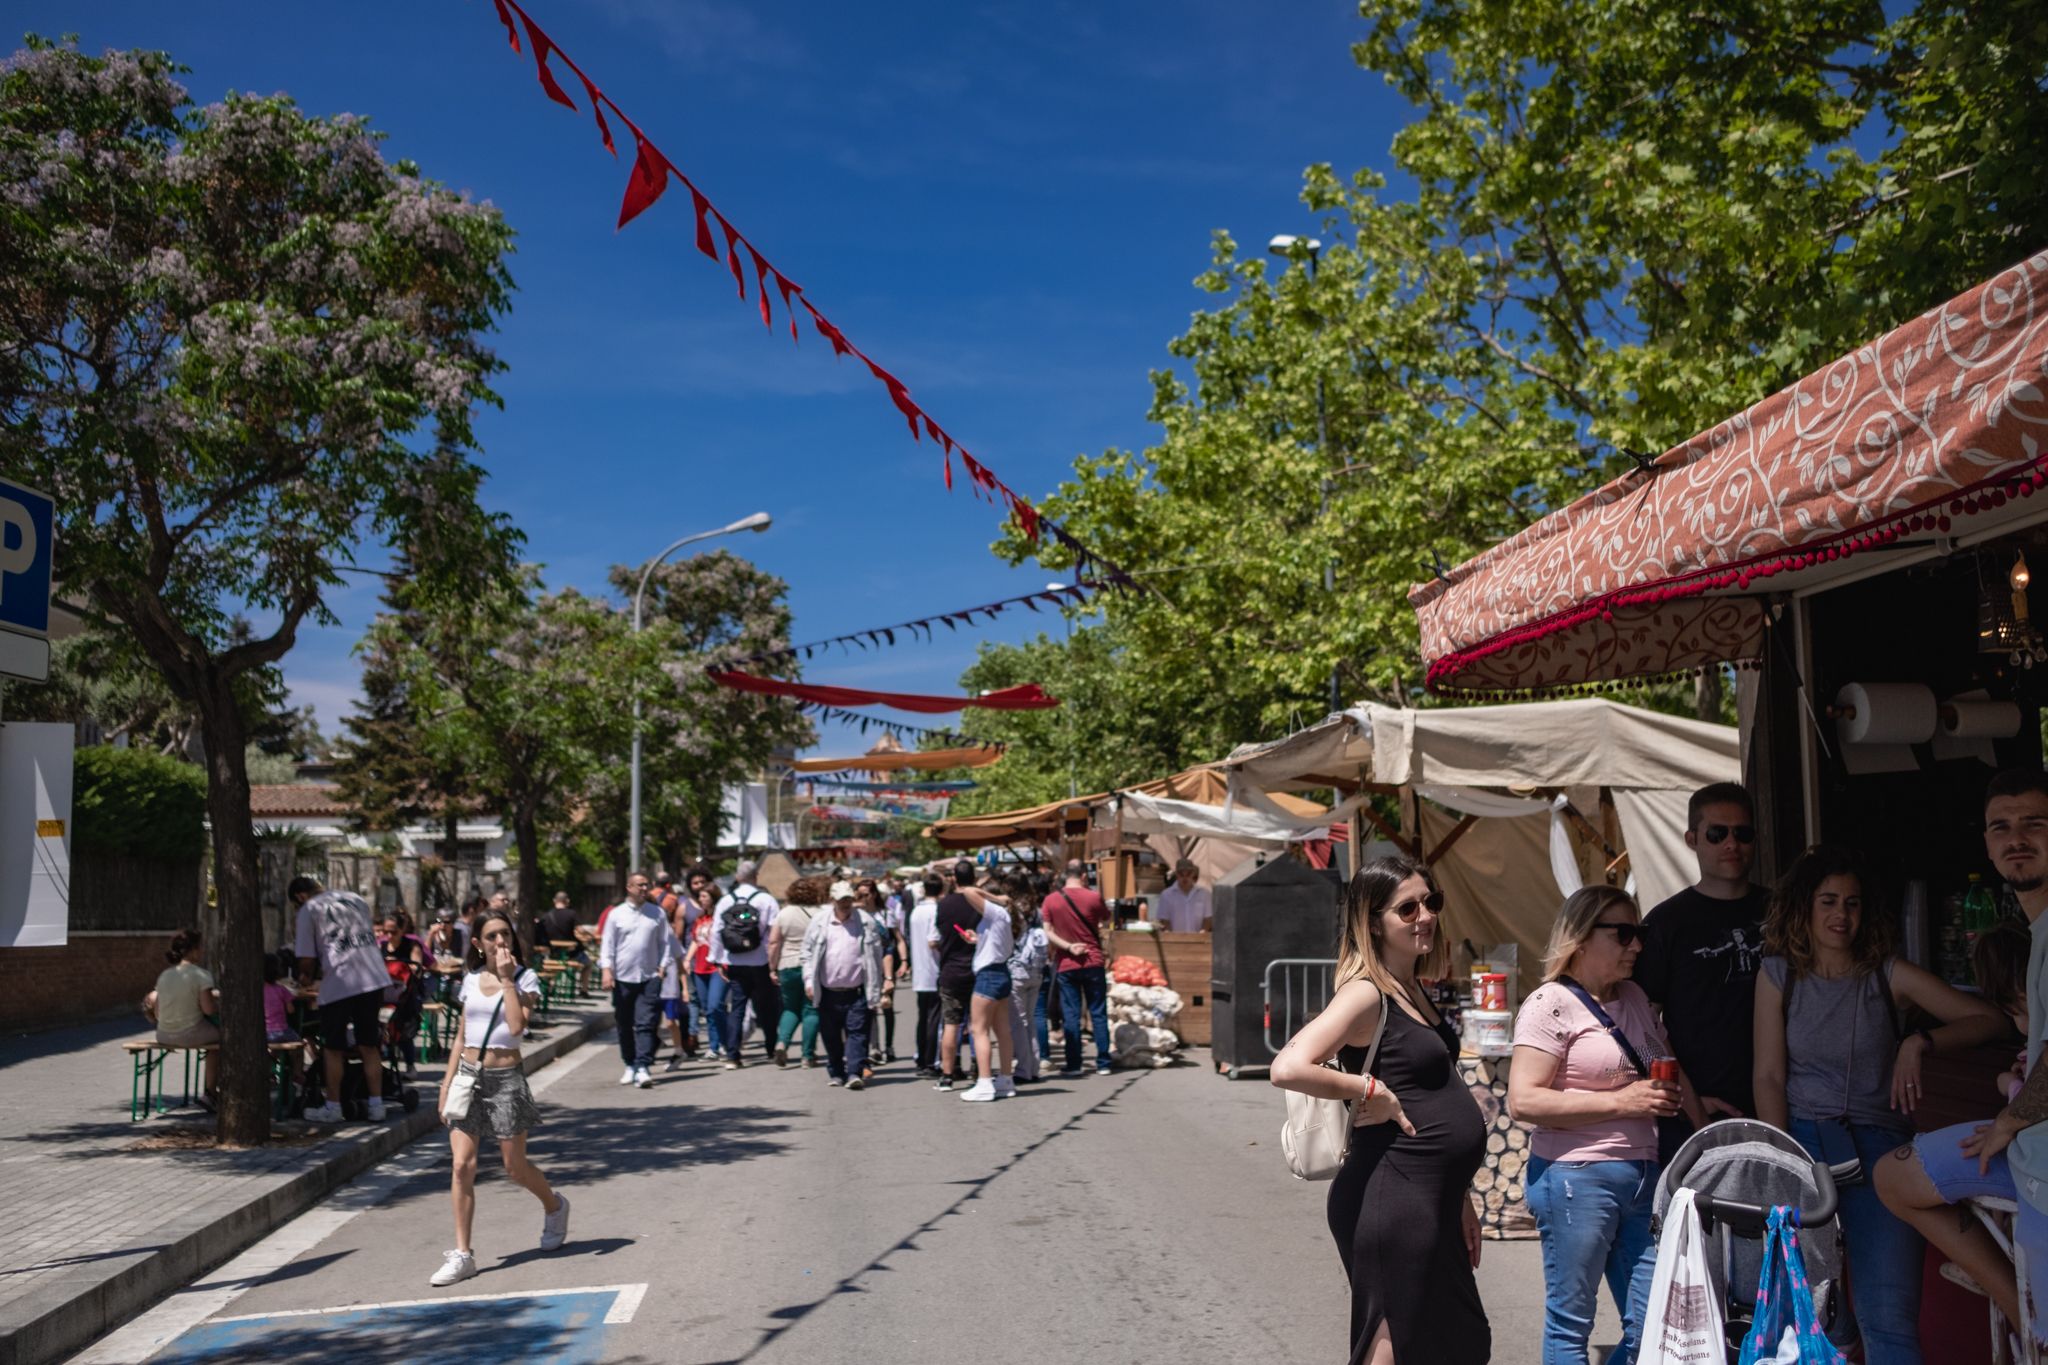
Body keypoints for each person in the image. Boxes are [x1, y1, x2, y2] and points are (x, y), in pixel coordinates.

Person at [1752, 845, 2003, 1364]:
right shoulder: (1779, 973)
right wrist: (1783, 1163)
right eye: (1828, 901)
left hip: (1878, 1153)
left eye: (1852, 903)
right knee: (1806, 1314)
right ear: (1804, 906)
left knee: (1887, 1319)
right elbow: (1769, 1076)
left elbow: (1989, 1020)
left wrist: (1920, 1042)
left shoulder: (1887, 974)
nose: (1841, 915)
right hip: (1804, 1142)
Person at [1270, 855, 1488, 1365]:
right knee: (1395, 1345)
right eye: (1407, 909)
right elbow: (1288, 1066)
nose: (1425, 916)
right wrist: (1370, 1090)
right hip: (1391, 1199)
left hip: (1430, 1197)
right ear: (1373, 922)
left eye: (1431, 902)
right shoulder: (1366, 993)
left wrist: (1459, 1196)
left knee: (1456, 1341)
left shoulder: (1409, 987)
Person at [1879, 771, 2048, 1354]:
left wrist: (2008, 1120)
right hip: (2031, 1157)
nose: (2017, 838)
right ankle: (2013, 1302)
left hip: (2040, 1165)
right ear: (1986, 842)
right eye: (2002, 826)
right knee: (1894, 1175)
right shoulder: (2038, 932)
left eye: (2034, 824)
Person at [1508, 885, 1703, 1365]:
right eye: (1623, 934)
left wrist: (1702, 1125)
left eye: (1640, 933)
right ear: (1580, 936)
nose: (1636, 945)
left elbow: (1661, 1063)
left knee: (1658, 1324)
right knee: (1571, 1324)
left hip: (1643, 1179)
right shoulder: (1549, 1003)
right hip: (1575, 1178)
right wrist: (1622, 1102)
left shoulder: (1634, 996)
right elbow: (1522, 1100)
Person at [431, 907, 569, 1287]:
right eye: (491, 936)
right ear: (477, 943)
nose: (500, 941)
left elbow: (515, 1026)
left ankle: (554, 1206)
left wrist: (508, 981)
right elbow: (461, 1035)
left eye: (505, 934)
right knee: (461, 1166)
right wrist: (445, 1085)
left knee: (514, 1167)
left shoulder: (526, 978)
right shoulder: (471, 979)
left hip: (506, 1078)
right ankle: (463, 1255)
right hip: (468, 1078)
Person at [1634, 780, 1769, 1122]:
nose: (1731, 844)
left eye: (1743, 834)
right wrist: (1686, 1099)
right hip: (1702, 1108)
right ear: (1691, 839)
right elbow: (1644, 1025)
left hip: (1790, 1101)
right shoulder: (1665, 923)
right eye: (1717, 834)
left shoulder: (1785, 911)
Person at [293, 876, 393, 1124]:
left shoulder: (309, 909)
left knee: (332, 1047)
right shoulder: (356, 899)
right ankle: (377, 1105)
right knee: (369, 1045)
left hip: (340, 981)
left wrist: (304, 979)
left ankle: (333, 1106)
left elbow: (306, 959)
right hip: (373, 977)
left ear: (300, 896)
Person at [802, 880, 887, 1089]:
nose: (846, 904)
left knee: (857, 1033)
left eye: (849, 899)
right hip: (828, 991)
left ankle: (854, 1073)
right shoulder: (820, 922)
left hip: (856, 990)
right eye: (841, 900)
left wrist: (879, 985)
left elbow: (876, 956)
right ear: (833, 900)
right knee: (831, 1036)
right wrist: (808, 981)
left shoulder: (865, 922)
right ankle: (837, 1072)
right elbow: (807, 953)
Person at [600, 870, 680, 1089]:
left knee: (646, 1023)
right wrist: (607, 970)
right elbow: (607, 944)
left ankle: (643, 1066)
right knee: (624, 1024)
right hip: (623, 978)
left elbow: (665, 943)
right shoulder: (616, 914)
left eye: (646, 885)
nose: (644, 889)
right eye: (639, 885)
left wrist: (662, 968)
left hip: (649, 977)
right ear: (629, 887)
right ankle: (630, 1064)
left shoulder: (657, 913)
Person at [709, 860, 783, 1070]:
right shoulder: (766, 900)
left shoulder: (725, 901)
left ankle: (733, 1055)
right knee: (767, 1007)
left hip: (735, 961)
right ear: (756, 876)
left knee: (737, 1008)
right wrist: (774, 963)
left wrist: (718, 960)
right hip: (760, 961)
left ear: (738, 877)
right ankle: (770, 1048)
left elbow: (716, 932)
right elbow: (773, 933)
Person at [1043, 859, 1113, 1076]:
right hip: (1093, 961)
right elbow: (1105, 918)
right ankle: (1103, 1063)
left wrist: (1068, 946)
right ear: (1084, 875)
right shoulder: (1093, 897)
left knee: (1071, 1014)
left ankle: (1074, 1064)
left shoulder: (1051, 900)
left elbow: (1047, 931)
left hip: (1066, 963)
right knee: (1098, 1012)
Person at [959, 873, 1020, 1102]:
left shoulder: (996, 910)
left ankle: (984, 1082)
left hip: (989, 975)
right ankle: (1006, 1079)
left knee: (979, 1030)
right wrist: (978, 939)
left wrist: (995, 896)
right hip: (1001, 971)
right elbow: (995, 943)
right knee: (1002, 1030)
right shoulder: (1000, 916)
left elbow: (967, 891)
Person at [146, 929, 221, 1105]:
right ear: (194, 949)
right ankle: (210, 1092)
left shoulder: (164, 975)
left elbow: (157, 1013)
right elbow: (209, 1010)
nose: (202, 951)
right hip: (190, 1033)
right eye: (200, 948)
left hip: (163, 1034)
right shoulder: (201, 975)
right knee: (221, 1042)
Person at [932, 861, 984, 1091]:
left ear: (954, 877)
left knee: (951, 1024)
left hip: (951, 971)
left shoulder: (944, 905)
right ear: (974, 878)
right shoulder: (981, 904)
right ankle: (977, 1069)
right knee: (977, 1025)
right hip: (977, 969)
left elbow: (937, 937)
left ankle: (947, 1075)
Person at [767, 877, 822, 1068]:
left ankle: (782, 1043)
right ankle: (807, 1056)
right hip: (813, 967)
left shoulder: (784, 914)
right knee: (811, 1009)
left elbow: (774, 943)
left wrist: (772, 968)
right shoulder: (821, 914)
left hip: (788, 965)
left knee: (790, 1008)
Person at [1006, 884, 1048, 1083]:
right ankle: (1034, 1067)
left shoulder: (1014, 919)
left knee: (1019, 1023)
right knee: (1029, 1021)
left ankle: (1023, 1069)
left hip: (1017, 973)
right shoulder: (1037, 916)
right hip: (1036, 971)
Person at [858, 879, 901, 1065]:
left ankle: (889, 1046)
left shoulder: (885, 914)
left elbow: (897, 939)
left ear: (874, 894)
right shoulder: (855, 915)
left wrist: (905, 962)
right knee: (870, 1007)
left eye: (866, 895)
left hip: (886, 964)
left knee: (887, 1006)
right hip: (865, 967)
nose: (862, 899)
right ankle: (874, 1047)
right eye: (859, 895)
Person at [907, 873, 944, 1076]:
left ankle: (921, 1058)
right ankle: (931, 1062)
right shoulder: (935, 911)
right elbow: (933, 940)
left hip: (920, 971)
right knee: (934, 1019)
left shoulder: (915, 911)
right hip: (933, 969)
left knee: (923, 1018)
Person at [688, 884, 718, 1056]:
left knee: (715, 1006)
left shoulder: (720, 917)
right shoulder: (699, 919)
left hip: (716, 967)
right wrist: (686, 960)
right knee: (707, 1008)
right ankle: (716, 1044)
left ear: (713, 898)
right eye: (700, 897)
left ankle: (717, 1044)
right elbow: (695, 941)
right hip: (699, 968)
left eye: (704, 896)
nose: (701, 900)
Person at [1155, 858, 1213, 932]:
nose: (1185, 878)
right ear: (1176, 874)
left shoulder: (1205, 894)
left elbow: (1208, 919)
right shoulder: (1166, 895)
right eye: (1181, 874)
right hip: (1174, 940)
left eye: (1188, 874)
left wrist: (1202, 934)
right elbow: (1164, 921)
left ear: (1193, 874)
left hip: (1198, 940)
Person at [540, 892, 580, 956]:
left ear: (554, 900)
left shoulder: (546, 916)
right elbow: (579, 930)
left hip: (551, 950)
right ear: (567, 901)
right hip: (569, 950)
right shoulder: (572, 914)